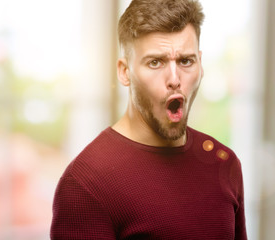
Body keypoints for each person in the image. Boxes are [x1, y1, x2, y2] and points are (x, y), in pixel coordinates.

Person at [51, 0, 247, 239]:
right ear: (125, 72)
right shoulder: (86, 185)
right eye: (156, 62)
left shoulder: (224, 164)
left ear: (200, 64)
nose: (174, 79)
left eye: (186, 61)